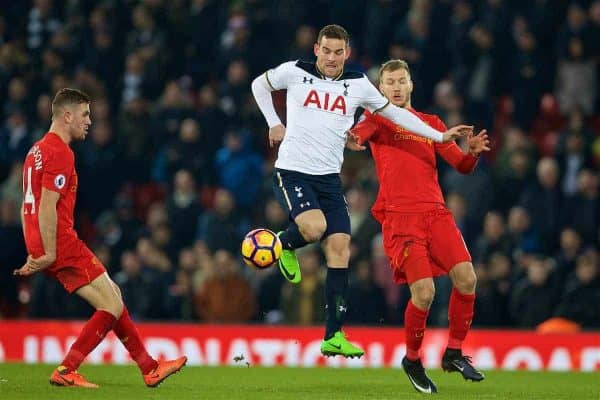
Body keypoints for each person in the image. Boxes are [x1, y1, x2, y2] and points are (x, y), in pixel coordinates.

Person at [251, 24, 470, 359]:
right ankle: (281, 243)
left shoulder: (357, 85)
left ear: (347, 53)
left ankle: (333, 334)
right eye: (327, 51)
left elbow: (396, 114)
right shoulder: (294, 72)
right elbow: (258, 85)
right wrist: (273, 122)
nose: (332, 58)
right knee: (315, 228)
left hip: (328, 180)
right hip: (294, 171)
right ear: (316, 49)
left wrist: (439, 137)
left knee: (340, 249)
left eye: (339, 52)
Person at [14, 88, 187, 388]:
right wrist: (50, 251)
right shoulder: (59, 152)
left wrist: (34, 247)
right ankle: (67, 369)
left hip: (42, 240)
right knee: (111, 305)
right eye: (85, 115)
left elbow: (25, 203)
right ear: (66, 116)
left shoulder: (36, 150)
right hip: (60, 242)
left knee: (114, 296)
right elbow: (46, 206)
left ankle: (149, 367)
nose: (90, 121)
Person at [349, 60, 489, 393]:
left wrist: (472, 153)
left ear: (411, 85)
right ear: (381, 89)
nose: (396, 87)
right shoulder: (377, 120)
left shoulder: (431, 124)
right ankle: (412, 359)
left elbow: (461, 166)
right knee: (424, 293)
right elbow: (358, 136)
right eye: (389, 83)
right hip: (401, 218)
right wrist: (352, 137)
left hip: (436, 214)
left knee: (468, 278)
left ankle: (453, 352)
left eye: (401, 81)